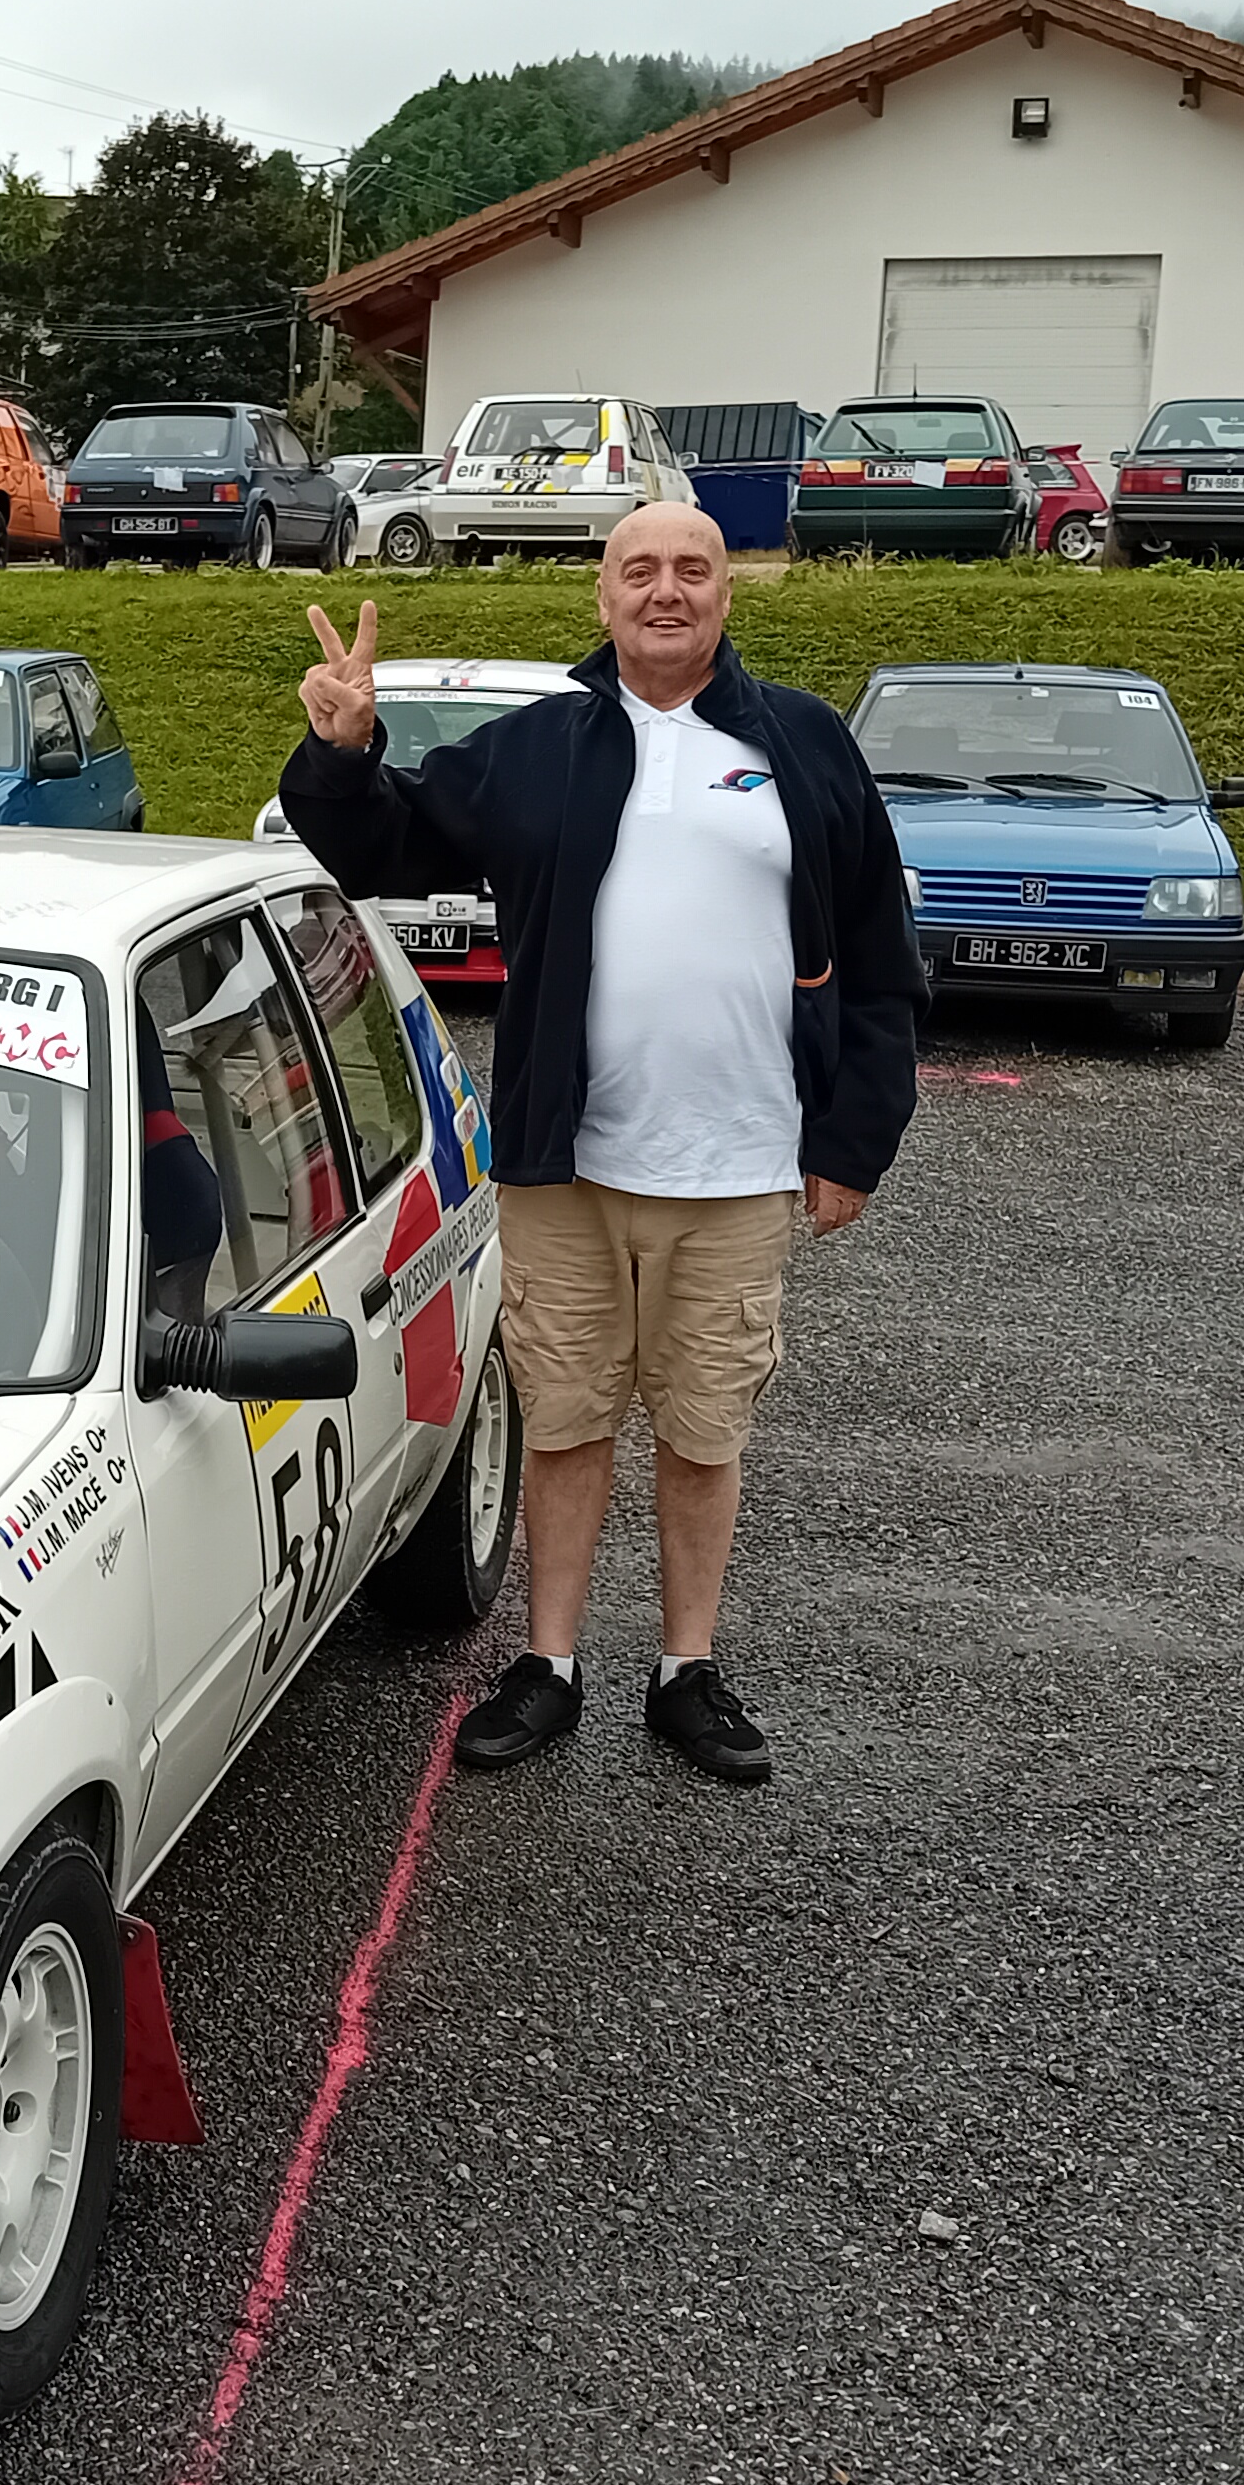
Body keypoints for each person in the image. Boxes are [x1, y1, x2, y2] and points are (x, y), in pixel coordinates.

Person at [276, 501, 920, 1787]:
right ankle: (550, 1663)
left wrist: (854, 1139)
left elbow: (878, 953)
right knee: (565, 1418)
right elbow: (387, 842)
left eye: (692, 569)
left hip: (738, 1163)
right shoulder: (541, 744)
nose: (665, 591)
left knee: (705, 1425)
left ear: (727, 590)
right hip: (565, 1163)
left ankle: (687, 1669)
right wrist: (344, 752)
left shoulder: (801, 742)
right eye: (639, 570)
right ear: (604, 597)